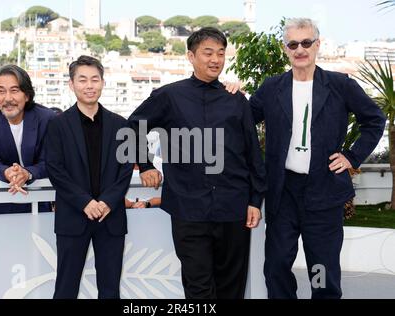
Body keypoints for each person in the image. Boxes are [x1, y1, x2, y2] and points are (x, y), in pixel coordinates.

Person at [249, 18, 386, 299]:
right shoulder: (271, 87)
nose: (300, 49)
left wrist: (352, 156)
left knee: (321, 271)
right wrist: (231, 94)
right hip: (282, 193)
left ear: (317, 45)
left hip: (323, 193)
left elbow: (374, 119)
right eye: (293, 44)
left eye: (306, 42)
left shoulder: (340, 85)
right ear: (285, 48)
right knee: (276, 266)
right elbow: (243, 120)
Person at [128, 27, 266, 299]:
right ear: (191, 56)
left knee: (231, 287)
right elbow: (133, 128)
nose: (216, 59)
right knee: (198, 287)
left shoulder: (235, 98)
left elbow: (252, 152)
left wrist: (255, 199)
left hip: (233, 207)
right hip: (188, 208)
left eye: (221, 53)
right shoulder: (169, 96)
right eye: (208, 53)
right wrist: (145, 165)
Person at [45, 55, 133, 299]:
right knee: (65, 288)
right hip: (73, 216)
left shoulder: (121, 125)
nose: (89, 85)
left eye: (95, 79)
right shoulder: (57, 125)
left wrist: (107, 202)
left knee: (110, 289)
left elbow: (125, 171)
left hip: (110, 217)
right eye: (82, 79)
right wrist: (85, 202)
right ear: (72, 85)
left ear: (103, 83)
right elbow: (55, 170)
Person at [0, 64, 55, 299]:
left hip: (36, 200)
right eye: (1, 91)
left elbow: (50, 162)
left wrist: (27, 173)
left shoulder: (46, 118)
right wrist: (9, 172)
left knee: (37, 259)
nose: (7, 98)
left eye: (14, 90)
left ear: (27, 94)